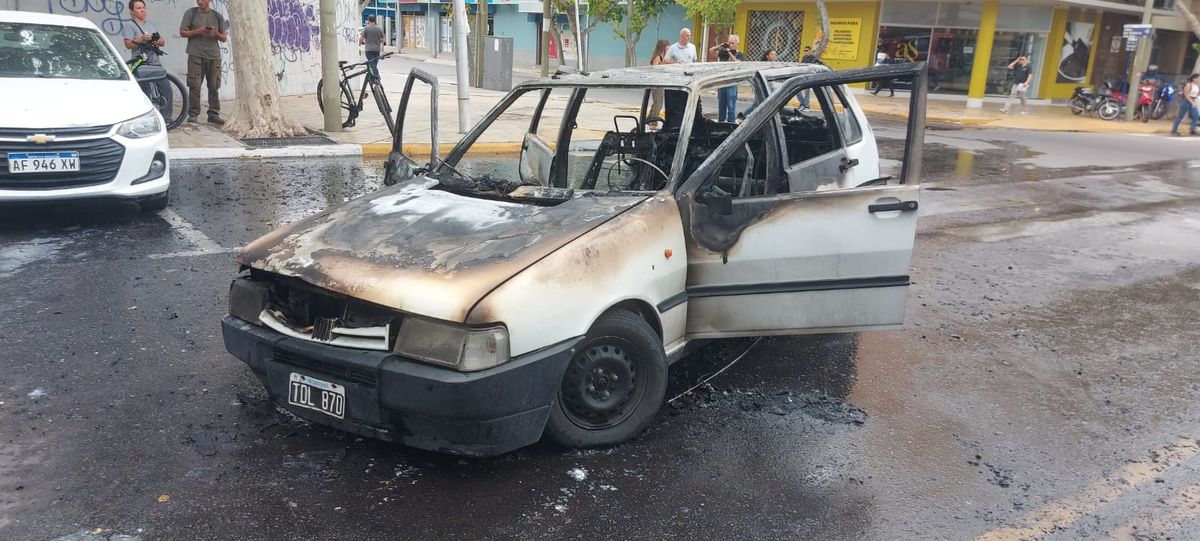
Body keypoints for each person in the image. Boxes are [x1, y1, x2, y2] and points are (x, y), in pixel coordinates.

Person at [179, 0, 227, 124]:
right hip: (195, 54)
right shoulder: (191, 13)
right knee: (194, 85)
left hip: (213, 56)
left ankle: (213, 114)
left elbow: (224, 38)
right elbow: (183, 32)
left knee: (214, 86)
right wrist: (198, 31)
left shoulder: (217, 16)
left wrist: (215, 33)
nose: (200, 1)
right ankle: (193, 113)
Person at [122, 0, 172, 118]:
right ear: (132, 11)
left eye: (143, 7)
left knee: (166, 88)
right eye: (138, 8)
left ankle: (166, 118)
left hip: (154, 61)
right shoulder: (129, 25)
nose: (142, 10)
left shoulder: (151, 25)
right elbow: (128, 44)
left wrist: (157, 40)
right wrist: (141, 39)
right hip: (141, 62)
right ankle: (145, 118)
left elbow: (162, 42)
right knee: (144, 92)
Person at [709, 34, 744, 122]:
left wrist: (729, 52)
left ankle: (731, 125)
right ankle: (720, 124)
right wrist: (720, 46)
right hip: (722, 83)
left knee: (731, 107)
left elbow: (736, 63)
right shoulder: (723, 52)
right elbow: (711, 51)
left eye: (732, 43)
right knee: (721, 107)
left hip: (732, 84)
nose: (730, 45)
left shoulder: (739, 54)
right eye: (729, 43)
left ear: (737, 44)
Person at [648, 39, 669, 121]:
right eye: (667, 46)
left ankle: (649, 118)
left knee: (656, 102)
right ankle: (653, 121)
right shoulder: (658, 57)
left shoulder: (662, 57)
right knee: (658, 103)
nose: (668, 48)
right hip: (656, 83)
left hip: (660, 83)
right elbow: (655, 70)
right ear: (663, 47)